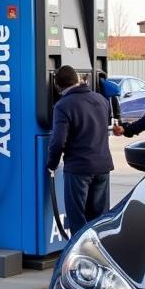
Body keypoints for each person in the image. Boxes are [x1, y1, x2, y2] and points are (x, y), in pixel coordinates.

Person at [46, 65, 114, 235]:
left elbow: (58, 140)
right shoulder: (101, 100)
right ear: (77, 80)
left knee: (77, 219)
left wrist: (51, 164)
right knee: (98, 219)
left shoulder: (63, 105)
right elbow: (106, 124)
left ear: (57, 85)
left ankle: (79, 257)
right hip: (103, 167)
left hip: (79, 169)